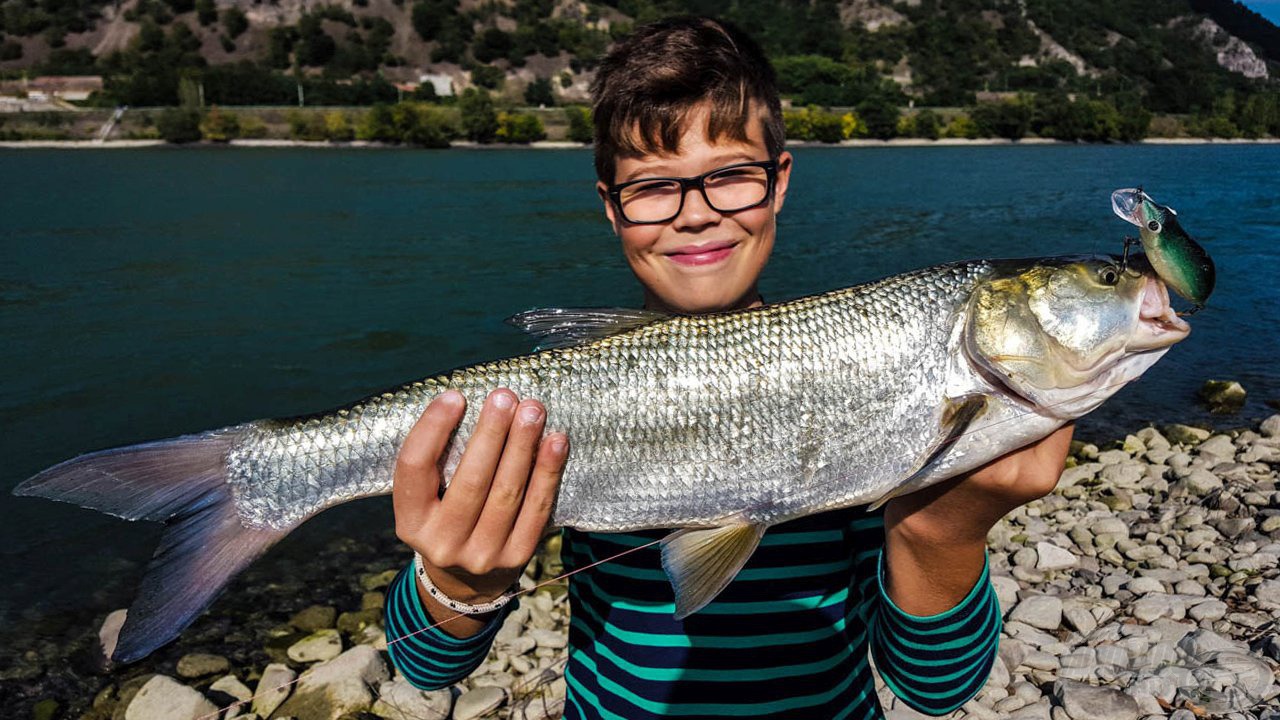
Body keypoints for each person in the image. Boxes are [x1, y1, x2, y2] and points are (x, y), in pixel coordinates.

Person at [386, 16, 1074, 718]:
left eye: (732, 177)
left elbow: (936, 688)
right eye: (654, 186)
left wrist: (945, 529)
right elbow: (422, 662)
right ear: (610, 207)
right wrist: (457, 582)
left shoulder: (861, 380)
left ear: (778, 183)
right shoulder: (546, 418)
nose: (695, 215)